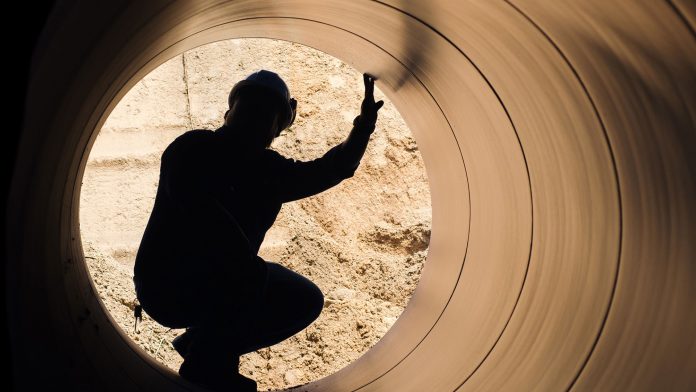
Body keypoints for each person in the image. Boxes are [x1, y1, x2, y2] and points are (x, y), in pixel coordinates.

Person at [133, 70, 384, 391]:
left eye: (265, 113)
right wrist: (242, 263)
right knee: (249, 273)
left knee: (303, 298)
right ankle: (208, 365)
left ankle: (201, 344)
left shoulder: (265, 170)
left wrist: (363, 128)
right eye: (252, 110)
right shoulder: (193, 150)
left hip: (214, 289)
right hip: (167, 289)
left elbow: (332, 169)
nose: (256, 119)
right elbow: (199, 210)